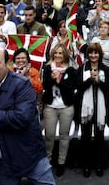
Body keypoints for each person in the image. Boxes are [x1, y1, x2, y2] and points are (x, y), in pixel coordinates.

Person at [0, 47, 56, 185]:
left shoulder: (22, 84)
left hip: (30, 156)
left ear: (7, 63)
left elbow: (22, 118)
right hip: (2, 162)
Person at [75, 43, 109, 178]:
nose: (93, 55)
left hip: (101, 108)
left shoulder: (106, 69)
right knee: (85, 137)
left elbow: (108, 88)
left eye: (96, 53)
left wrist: (99, 81)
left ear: (100, 54)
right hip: (85, 109)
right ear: (87, 54)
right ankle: (86, 165)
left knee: (99, 138)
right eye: (91, 53)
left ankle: (99, 165)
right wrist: (90, 80)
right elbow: (78, 87)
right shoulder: (82, 68)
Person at [42, 44, 77, 177]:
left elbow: (70, 87)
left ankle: (61, 162)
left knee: (64, 135)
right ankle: (48, 160)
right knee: (49, 135)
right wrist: (51, 79)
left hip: (66, 107)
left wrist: (58, 79)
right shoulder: (47, 68)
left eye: (60, 53)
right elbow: (44, 85)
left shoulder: (70, 70)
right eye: (55, 53)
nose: (57, 56)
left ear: (65, 56)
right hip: (50, 107)